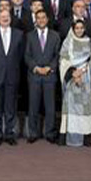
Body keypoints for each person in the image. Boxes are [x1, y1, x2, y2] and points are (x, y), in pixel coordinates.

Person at [58, 20, 91, 147]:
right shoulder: (68, 42)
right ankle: (68, 137)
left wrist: (84, 71)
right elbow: (63, 59)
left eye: (82, 28)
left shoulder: (90, 42)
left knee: (86, 109)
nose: (79, 30)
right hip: (72, 80)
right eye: (77, 28)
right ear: (73, 29)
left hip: (86, 79)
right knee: (71, 109)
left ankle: (86, 138)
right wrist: (73, 73)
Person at [0, 10, 24, 146]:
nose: (5, 19)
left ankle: (9, 134)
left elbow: (20, 56)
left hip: (13, 76)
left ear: (11, 18)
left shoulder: (19, 34)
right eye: (2, 17)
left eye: (7, 17)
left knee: (10, 107)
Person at [24, 10, 61, 144]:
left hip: (50, 75)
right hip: (34, 75)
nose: (41, 20)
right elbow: (27, 55)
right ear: (36, 20)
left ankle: (50, 133)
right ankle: (33, 133)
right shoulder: (29, 35)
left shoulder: (55, 35)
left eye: (43, 18)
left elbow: (58, 55)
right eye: (38, 18)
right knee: (33, 106)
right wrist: (36, 68)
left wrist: (49, 68)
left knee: (50, 107)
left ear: (47, 19)